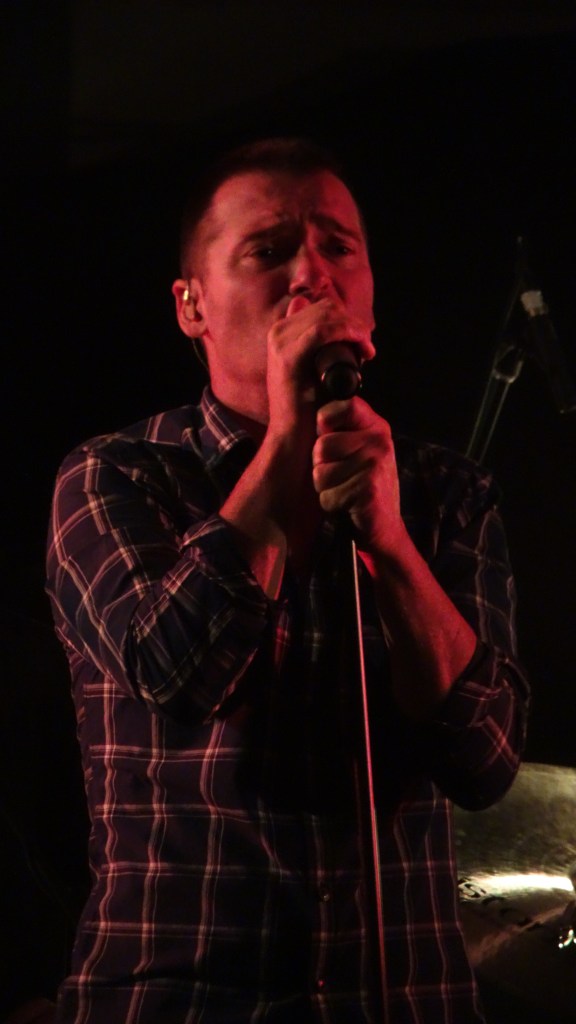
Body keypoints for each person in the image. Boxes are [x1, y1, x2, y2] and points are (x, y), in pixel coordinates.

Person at [46, 137, 530, 1024]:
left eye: (339, 247)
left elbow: (487, 758)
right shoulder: (118, 476)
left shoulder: (447, 494)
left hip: (400, 999)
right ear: (191, 305)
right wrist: (285, 444)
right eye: (269, 251)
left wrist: (391, 542)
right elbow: (178, 673)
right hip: (181, 1001)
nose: (312, 276)